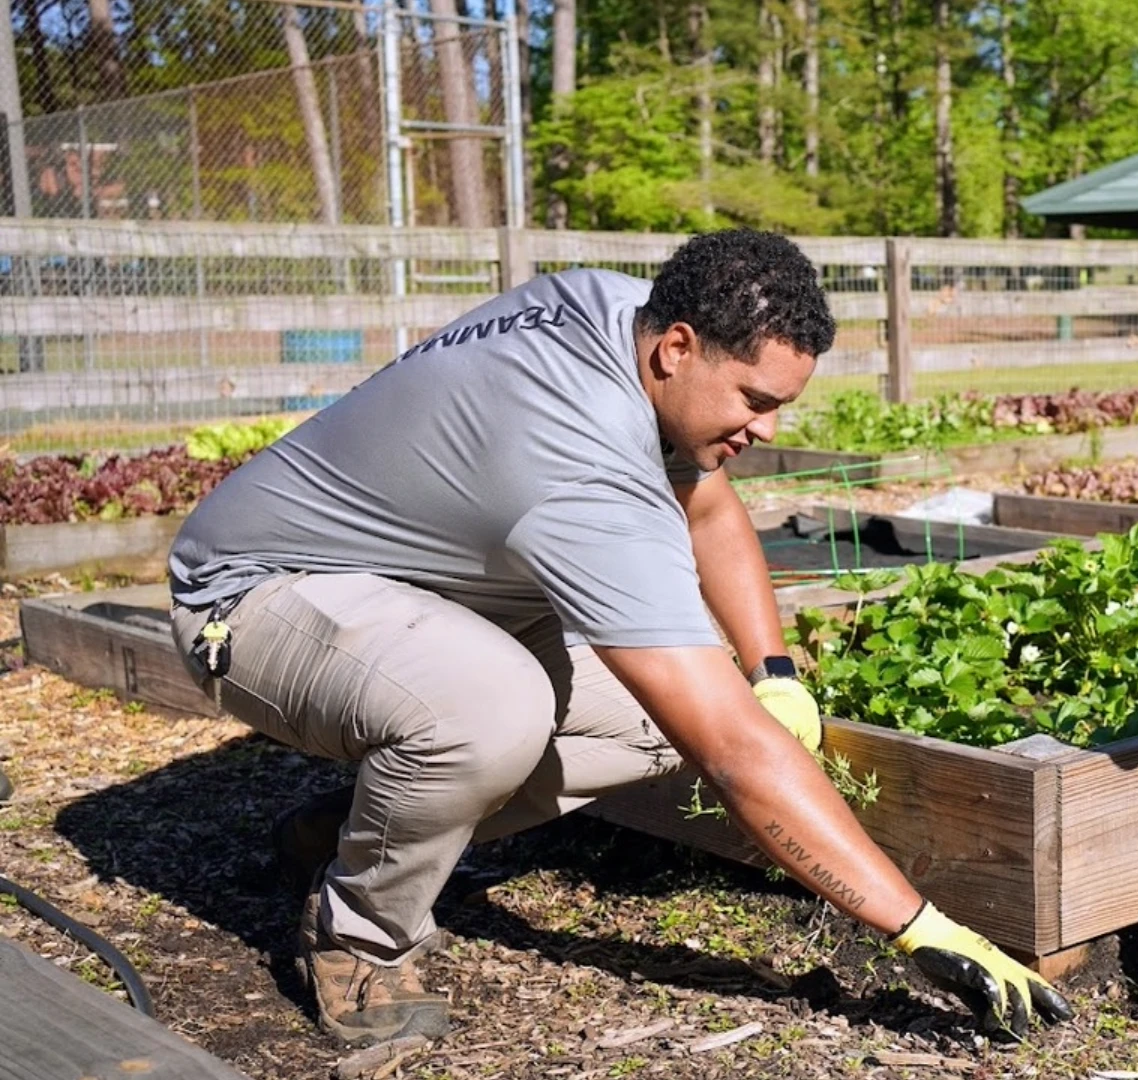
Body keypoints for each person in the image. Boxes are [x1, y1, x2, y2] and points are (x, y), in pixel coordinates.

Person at [167, 229, 1072, 1048]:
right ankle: (360, 934)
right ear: (678, 347)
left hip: (419, 586)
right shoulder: (582, 463)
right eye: (755, 399)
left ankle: (352, 828)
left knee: (651, 722)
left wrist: (774, 673)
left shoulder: (617, 312)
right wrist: (917, 926)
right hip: (254, 596)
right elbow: (729, 750)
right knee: (491, 710)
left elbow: (708, 507)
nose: (766, 429)